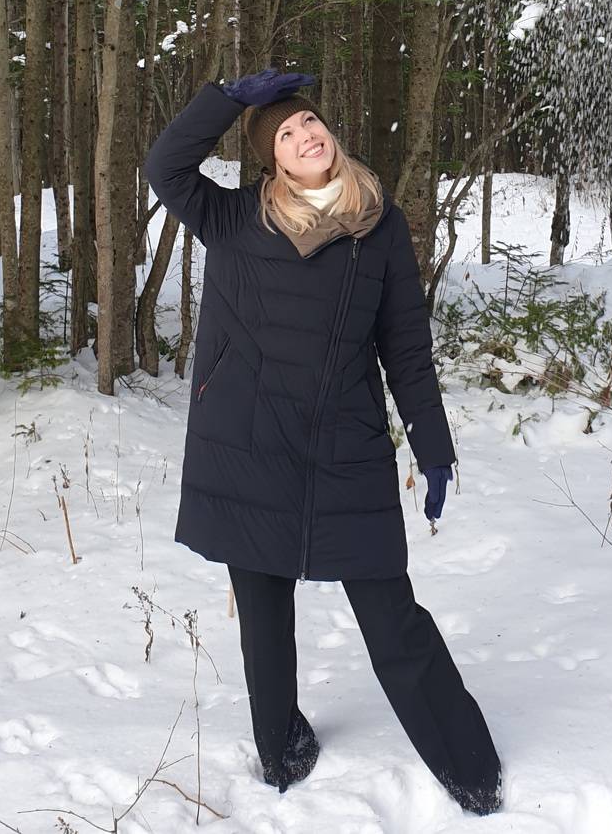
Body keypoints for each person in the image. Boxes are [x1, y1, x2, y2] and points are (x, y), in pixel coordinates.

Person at [144, 67, 503, 816]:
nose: (305, 135)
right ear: (270, 159)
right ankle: (281, 750)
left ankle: (469, 767)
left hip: (346, 443)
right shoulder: (235, 217)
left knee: (392, 616)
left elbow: (405, 345)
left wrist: (432, 445)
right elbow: (165, 167)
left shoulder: (378, 223)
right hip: (247, 444)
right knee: (264, 618)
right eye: (284, 133)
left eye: (309, 122)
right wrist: (225, 100)